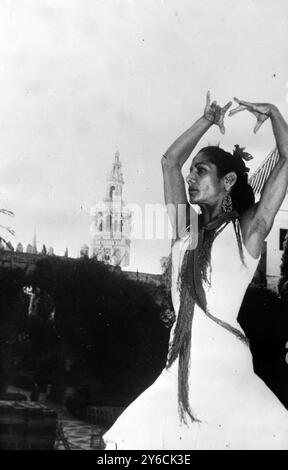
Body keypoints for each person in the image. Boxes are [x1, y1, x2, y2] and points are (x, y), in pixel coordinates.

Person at [103, 92, 288, 450]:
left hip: (225, 373)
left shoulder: (246, 231)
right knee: (123, 448)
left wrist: (276, 114)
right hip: (177, 367)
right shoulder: (185, 232)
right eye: (193, 172)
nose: (190, 177)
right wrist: (206, 120)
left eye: (200, 171)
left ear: (229, 181)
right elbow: (170, 160)